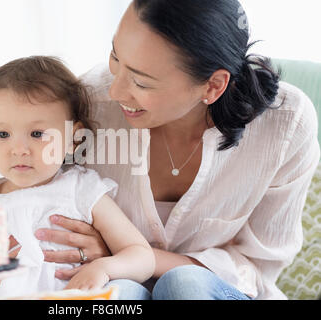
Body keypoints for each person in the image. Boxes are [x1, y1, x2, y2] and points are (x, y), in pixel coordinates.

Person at [35, 0, 321, 300]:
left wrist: (127, 255)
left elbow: (256, 266)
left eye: (141, 81)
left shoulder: (285, 125)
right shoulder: (87, 107)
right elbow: (45, 205)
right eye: (115, 57)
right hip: (115, 283)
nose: (115, 91)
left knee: (185, 285)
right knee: (119, 293)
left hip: (216, 291)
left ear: (213, 86)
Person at [0, 56, 155, 298]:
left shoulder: (81, 189)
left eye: (37, 133)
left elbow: (142, 256)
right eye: (3, 134)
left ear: (73, 139)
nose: (19, 149)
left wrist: (103, 267)